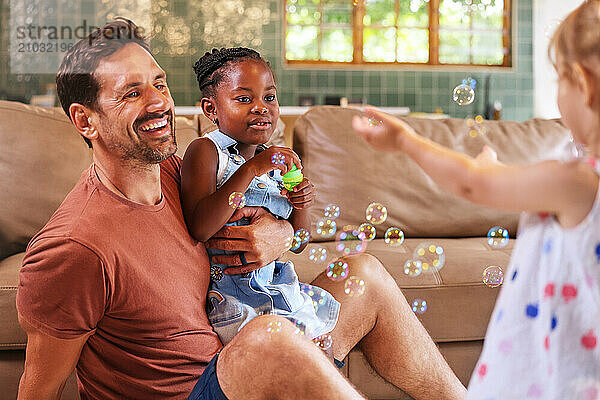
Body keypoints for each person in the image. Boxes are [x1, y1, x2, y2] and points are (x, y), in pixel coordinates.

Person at [16, 18, 466, 400]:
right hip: (200, 386)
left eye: (158, 83)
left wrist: (281, 235)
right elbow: (39, 389)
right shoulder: (73, 247)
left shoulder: (180, 172)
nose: (159, 102)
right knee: (268, 337)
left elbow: (263, 220)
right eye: (131, 93)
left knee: (362, 274)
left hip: (244, 354)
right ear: (84, 120)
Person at [353, 2, 600, 397]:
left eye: (559, 80)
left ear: (583, 84)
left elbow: (472, 184)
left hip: (559, 376)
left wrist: (406, 141)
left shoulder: (578, 181)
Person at [181, 47, 339, 347]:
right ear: (211, 109)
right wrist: (252, 169)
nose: (261, 107)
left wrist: (300, 204)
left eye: (269, 97)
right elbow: (200, 226)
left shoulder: (274, 164)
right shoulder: (205, 151)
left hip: (281, 292)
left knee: (318, 359)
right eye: (244, 99)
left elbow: (300, 241)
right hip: (233, 301)